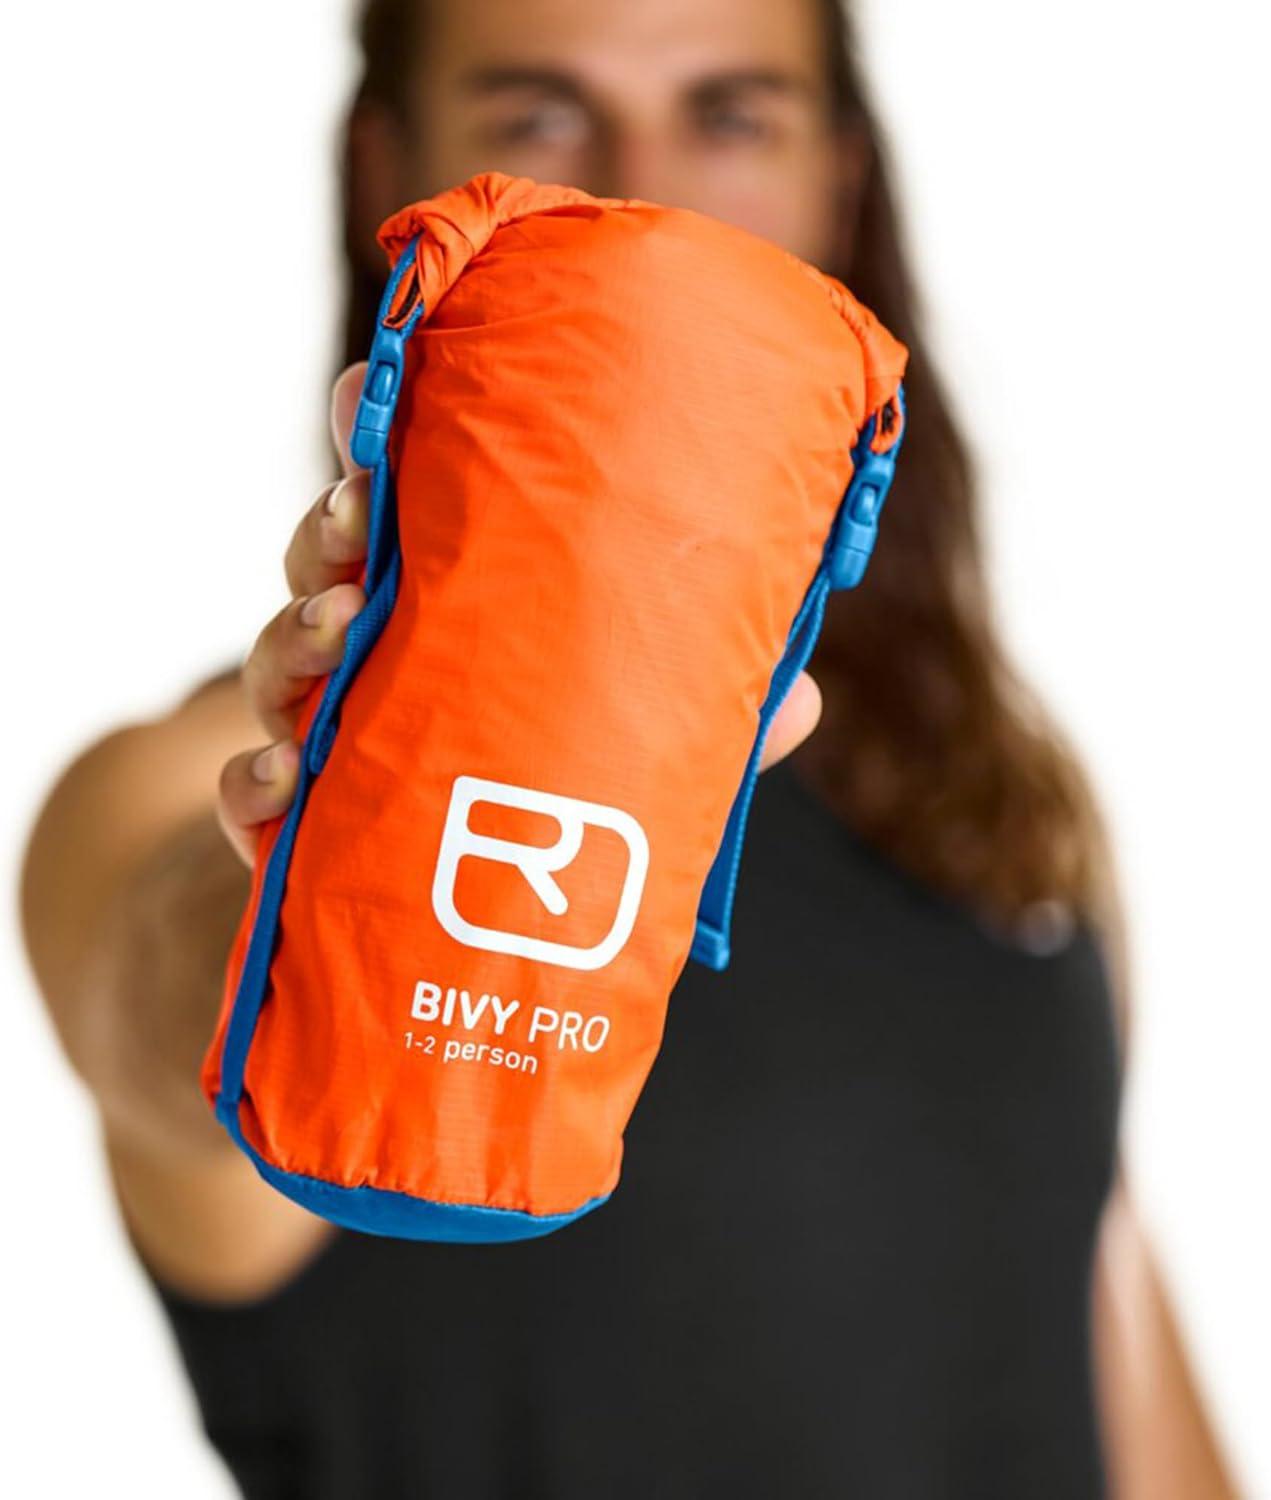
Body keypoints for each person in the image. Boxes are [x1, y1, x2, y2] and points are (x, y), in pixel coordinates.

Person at [18, 0, 1241, 1496]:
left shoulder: (996, 796)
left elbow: (1096, 1324)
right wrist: (322, 858)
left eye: (732, 116)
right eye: (538, 117)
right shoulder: (168, 781)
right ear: (390, 173)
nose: (643, 191)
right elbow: (156, 1030)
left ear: (838, 179)